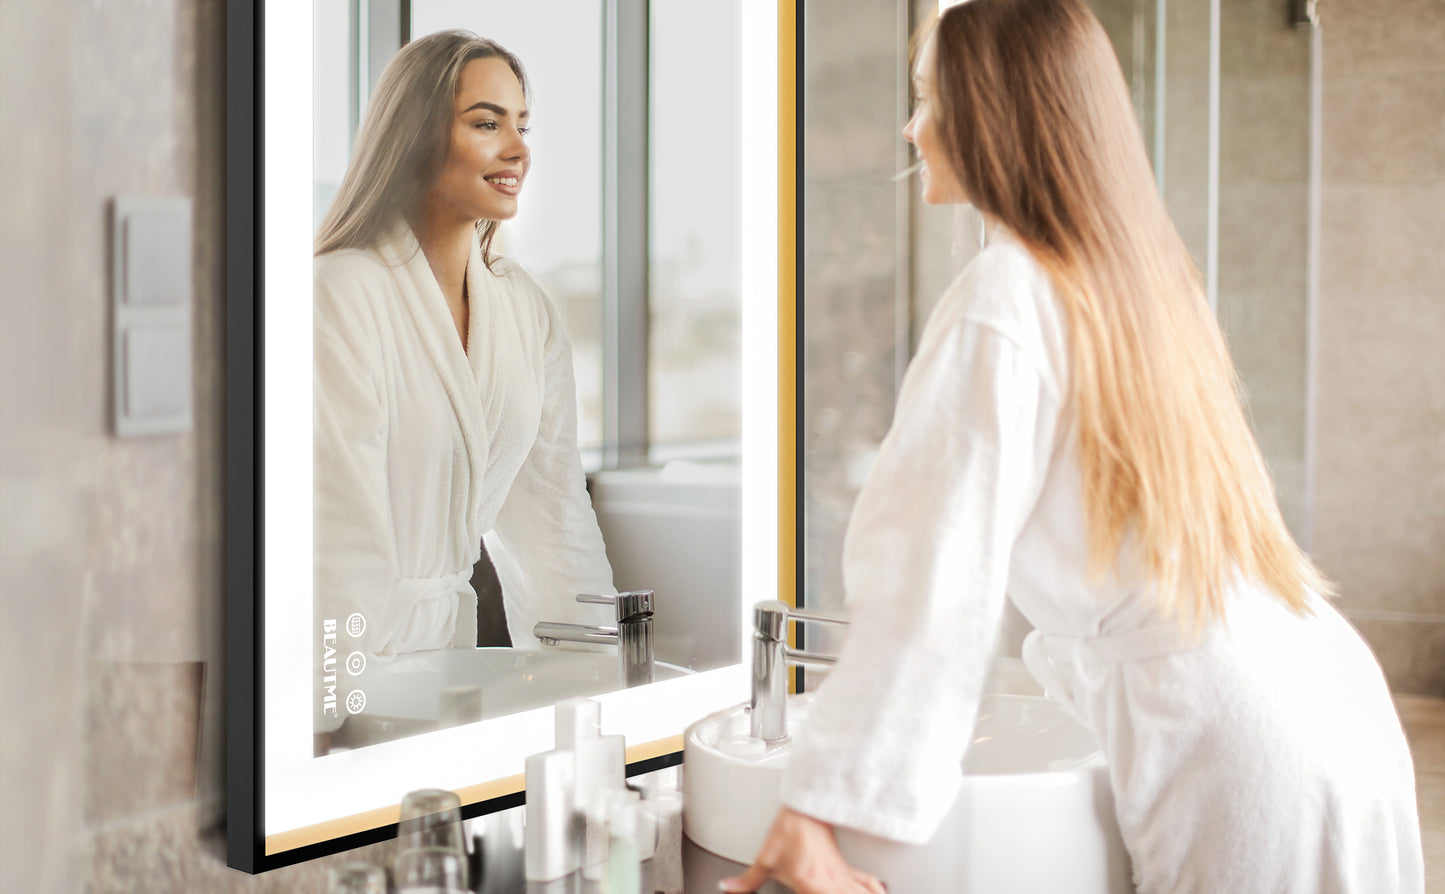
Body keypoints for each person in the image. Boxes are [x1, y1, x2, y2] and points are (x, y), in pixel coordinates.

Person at [723, 1, 1424, 891]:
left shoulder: (1006, 296)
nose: (911, 127)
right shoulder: (1135, 276)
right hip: (1324, 694)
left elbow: (929, 577)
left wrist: (816, 808)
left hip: (1233, 739)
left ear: (994, 113)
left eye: (929, 97)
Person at [312, 31, 614, 736]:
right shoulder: (340, 292)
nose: (517, 148)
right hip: (349, 676)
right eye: (486, 123)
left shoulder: (524, 309)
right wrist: (327, 720)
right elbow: (336, 533)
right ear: (415, 136)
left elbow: (554, 521)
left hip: (451, 669)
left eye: (521, 124)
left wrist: (601, 692)